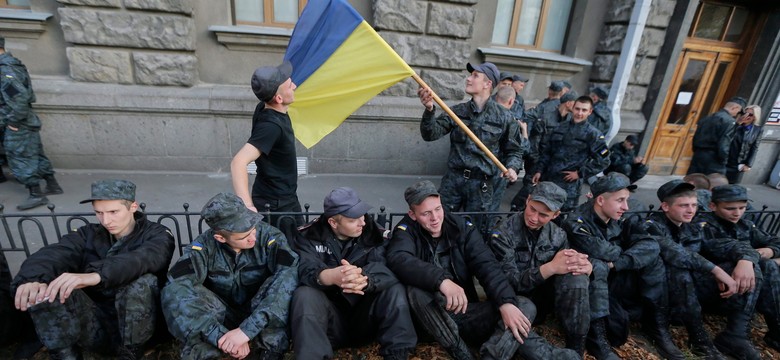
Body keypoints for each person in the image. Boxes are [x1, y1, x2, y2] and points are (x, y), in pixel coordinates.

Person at [387, 180, 577, 360]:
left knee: (522, 307)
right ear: (413, 215)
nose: (435, 218)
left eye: (438, 209)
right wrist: (442, 280)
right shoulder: (405, 231)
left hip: (464, 312)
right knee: (415, 290)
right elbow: (399, 259)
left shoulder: (461, 228)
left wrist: (505, 303)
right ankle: (465, 353)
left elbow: (487, 266)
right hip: (428, 318)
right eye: (426, 213)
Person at [12, 179, 175, 360]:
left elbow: (143, 259)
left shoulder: (157, 234)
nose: (106, 220)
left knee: (142, 281)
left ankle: (131, 353)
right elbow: (54, 253)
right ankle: (66, 355)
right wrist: (32, 278)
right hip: (99, 322)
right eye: (99, 212)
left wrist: (95, 275)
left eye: (113, 212)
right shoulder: (88, 234)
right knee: (49, 287)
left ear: (133, 207)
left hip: (145, 327)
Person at [162, 192, 298, 360]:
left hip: (261, 315)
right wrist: (220, 336)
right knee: (176, 291)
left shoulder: (270, 237)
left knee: (283, 281)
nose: (253, 237)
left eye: (253, 228)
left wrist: (246, 331)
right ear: (220, 238)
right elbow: (176, 286)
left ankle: (268, 351)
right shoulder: (202, 247)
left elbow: (289, 274)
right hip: (222, 317)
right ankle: (217, 348)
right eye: (244, 236)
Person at [563, 173, 683, 360]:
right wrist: (624, 252)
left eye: (627, 200)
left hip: (616, 276)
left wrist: (618, 262)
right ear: (601, 200)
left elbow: (650, 245)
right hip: (589, 287)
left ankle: (657, 327)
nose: (626, 207)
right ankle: (597, 337)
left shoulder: (623, 216)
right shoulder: (576, 220)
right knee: (598, 265)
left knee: (654, 261)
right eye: (620, 200)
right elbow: (601, 251)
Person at [290, 187, 416, 359]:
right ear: (333, 223)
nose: (362, 222)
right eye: (353, 219)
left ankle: (398, 355)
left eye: (362, 215)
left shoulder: (375, 234)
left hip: (366, 315)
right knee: (304, 294)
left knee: (394, 290)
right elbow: (304, 268)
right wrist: (331, 276)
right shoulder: (308, 236)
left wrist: (365, 278)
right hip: (328, 320)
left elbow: (390, 266)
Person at [637, 180, 743, 359]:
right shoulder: (651, 225)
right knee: (680, 271)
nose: (691, 210)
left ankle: (738, 334)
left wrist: (746, 260)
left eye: (694, 205)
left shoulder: (693, 226)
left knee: (739, 268)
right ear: (665, 206)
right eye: (684, 205)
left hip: (688, 292)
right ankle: (698, 338)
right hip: (655, 293)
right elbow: (675, 253)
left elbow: (725, 245)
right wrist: (715, 270)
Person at [489, 182, 591, 356]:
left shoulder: (558, 235)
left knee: (578, 277)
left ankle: (576, 343)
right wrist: (550, 268)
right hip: (515, 304)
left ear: (555, 214)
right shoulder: (503, 233)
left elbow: (567, 268)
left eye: (543, 214)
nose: (534, 218)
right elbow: (509, 282)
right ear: (527, 200)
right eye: (532, 209)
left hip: (544, 300)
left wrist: (584, 267)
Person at [416, 62, 522, 230]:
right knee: (440, 226)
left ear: (488, 84)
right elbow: (430, 134)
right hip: (453, 181)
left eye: (475, 76)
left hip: (481, 185)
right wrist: (429, 110)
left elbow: (515, 150)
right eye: (470, 75)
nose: (468, 78)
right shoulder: (457, 111)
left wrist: (513, 168)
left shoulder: (504, 117)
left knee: (476, 231)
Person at [697, 185, 780, 357]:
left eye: (742, 208)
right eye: (730, 208)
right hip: (709, 288)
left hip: (738, 291)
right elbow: (728, 247)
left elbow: (774, 241)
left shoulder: (745, 225)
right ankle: (735, 335)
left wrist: (770, 251)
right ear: (713, 206)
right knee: (754, 265)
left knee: (769, 265)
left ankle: (776, 331)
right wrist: (748, 259)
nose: (737, 213)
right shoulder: (703, 225)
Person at [231, 61, 303, 240]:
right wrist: (247, 206)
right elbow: (238, 162)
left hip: (281, 195)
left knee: (299, 242)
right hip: (277, 204)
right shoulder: (271, 126)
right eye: (289, 85)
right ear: (278, 98)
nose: (294, 85)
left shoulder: (264, 106)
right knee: (287, 251)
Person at [0, 36, 63, 210]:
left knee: (19, 157)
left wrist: (13, 122)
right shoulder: (13, 64)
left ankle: (36, 194)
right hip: (25, 120)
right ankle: (53, 185)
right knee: (36, 153)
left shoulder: (5, 70)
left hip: (17, 121)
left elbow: (20, 98)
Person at [532, 96, 611, 212]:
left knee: (562, 216)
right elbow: (547, 152)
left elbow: (604, 160)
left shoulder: (593, 134)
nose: (579, 113)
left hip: (569, 185)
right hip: (549, 179)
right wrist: (539, 170)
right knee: (543, 211)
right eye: (577, 109)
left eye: (584, 110)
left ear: (590, 112)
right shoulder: (559, 127)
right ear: (572, 108)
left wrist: (580, 173)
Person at [510, 92, 577, 211]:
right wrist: (537, 163)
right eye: (575, 104)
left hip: (552, 164)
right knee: (527, 191)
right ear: (568, 103)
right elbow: (535, 142)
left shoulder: (569, 122)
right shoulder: (546, 117)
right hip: (538, 161)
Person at [688, 96, 747, 175]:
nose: (737, 114)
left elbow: (695, 138)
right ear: (734, 108)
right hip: (714, 159)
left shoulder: (708, 117)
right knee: (714, 183)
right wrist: (724, 161)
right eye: (738, 111)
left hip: (698, 155)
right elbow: (724, 145)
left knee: (693, 181)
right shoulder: (729, 121)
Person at [726, 105, 763, 184]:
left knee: (731, 186)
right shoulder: (733, 124)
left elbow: (754, 147)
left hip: (739, 163)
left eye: (750, 114)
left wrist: (748, 164)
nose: (746, 116)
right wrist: (738, 124)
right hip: (725, 160)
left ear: (755, 117)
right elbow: (726, 138)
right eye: (745, 113)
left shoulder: (758, 130)